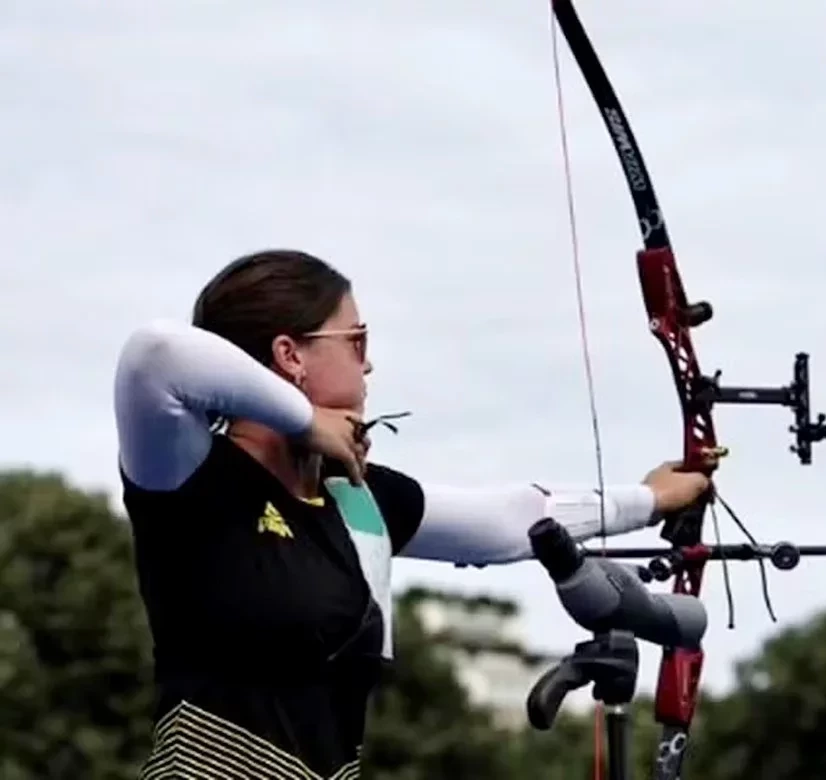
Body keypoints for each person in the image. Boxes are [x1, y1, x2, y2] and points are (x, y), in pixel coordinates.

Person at [112, 248, 710, 779]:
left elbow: (510, 521)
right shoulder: (191, 473)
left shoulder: (355, 499)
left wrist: (649, 498)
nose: (368, 366)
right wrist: (303, 419)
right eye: (357, 342)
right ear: (290, 354)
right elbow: (154, 355)